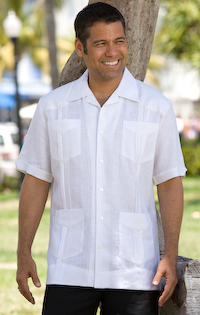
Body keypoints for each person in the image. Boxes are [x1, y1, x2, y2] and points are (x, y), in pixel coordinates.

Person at [16, 2, 186, 315]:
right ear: (80, 48)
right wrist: (23, 250)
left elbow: (170, 182)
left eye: (119, 41)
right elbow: (37, 179)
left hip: (135, 269)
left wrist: (170, 256)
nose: (112, 52)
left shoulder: (155, 107)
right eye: (101, 43)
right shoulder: (53, 107)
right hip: (70, 266)